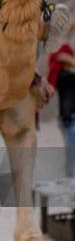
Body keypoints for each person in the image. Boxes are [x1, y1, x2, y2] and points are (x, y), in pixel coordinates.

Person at [48, 42, 75, 177]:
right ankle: (69, 182)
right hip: (69, 121)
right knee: (72, 154)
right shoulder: (63, 76)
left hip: (70, 120)